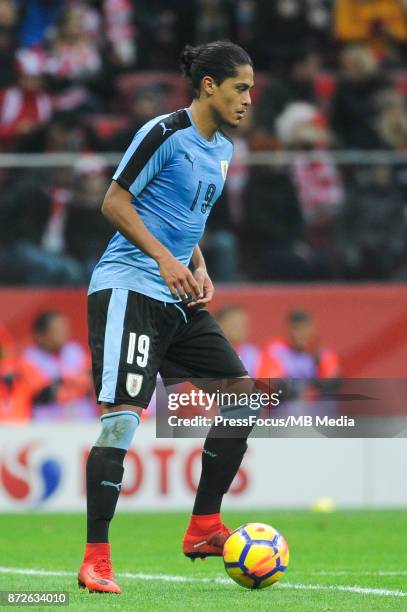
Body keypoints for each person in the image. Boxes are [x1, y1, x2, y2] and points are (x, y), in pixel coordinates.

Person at [78, 40, 254, 594]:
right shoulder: (164, 132)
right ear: (209, 86)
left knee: (243, 394)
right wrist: (162, 258)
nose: (249, 99)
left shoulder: (221, 149)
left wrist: (197, 264)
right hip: (130, 287)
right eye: (241, 88)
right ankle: (95, 559)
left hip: (179, 295)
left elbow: (185, 219)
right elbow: (115, 201)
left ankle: (204, 526)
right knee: (122, 418)